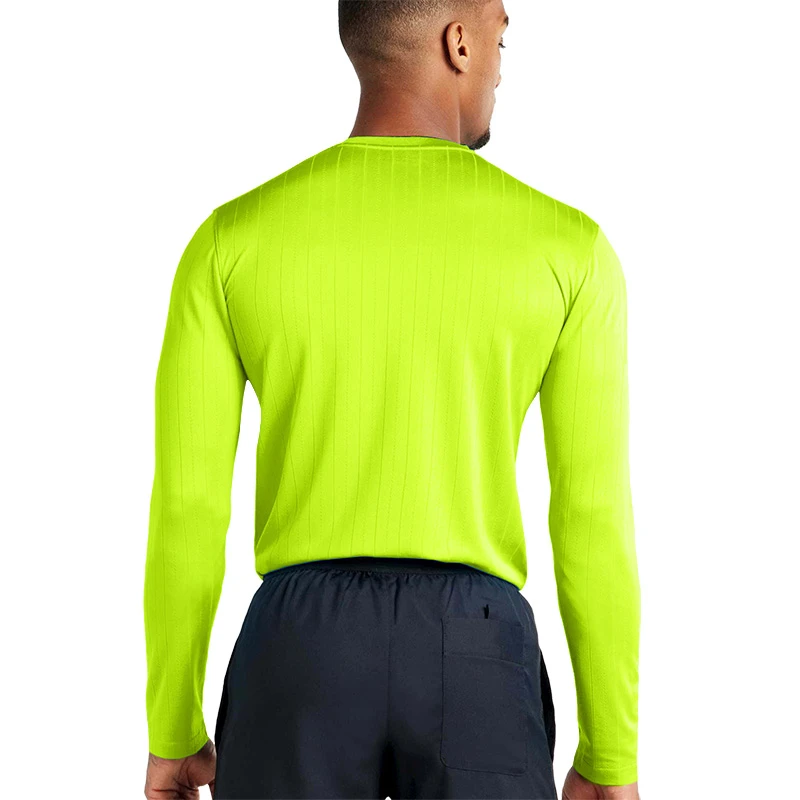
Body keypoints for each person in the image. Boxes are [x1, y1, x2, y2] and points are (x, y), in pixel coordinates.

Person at [143, 1, 641, 798]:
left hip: (296, 655)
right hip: (478, 651)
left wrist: (172, 728)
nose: (503, 63)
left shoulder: (229, 242)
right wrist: (610, 753)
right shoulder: (570, 250)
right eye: (501, 35)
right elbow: (592, 515)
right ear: (459, 42)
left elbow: (188, 507)